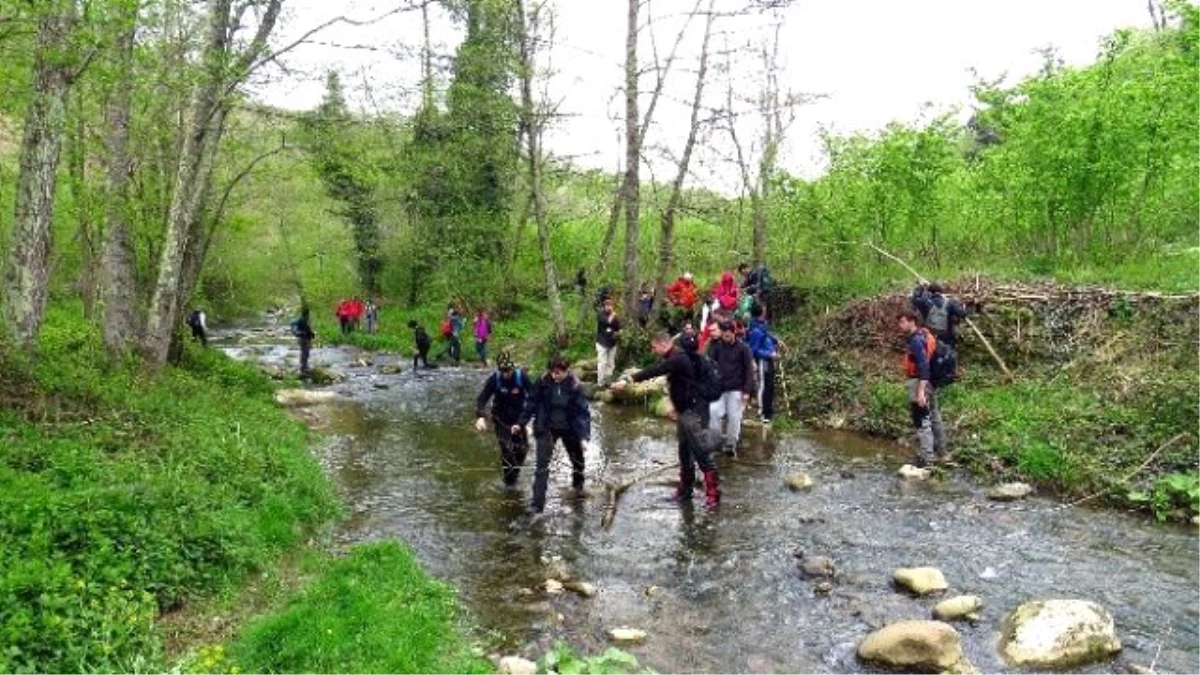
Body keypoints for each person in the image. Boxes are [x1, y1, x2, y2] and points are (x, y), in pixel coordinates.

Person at [614, 334, 720, 509]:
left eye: (654, 347)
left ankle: (713, 497)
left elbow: (654, 370)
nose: (652, 350)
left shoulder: (677, 359)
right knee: (684, 453)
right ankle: (686, 491)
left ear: (664, 344)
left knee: (701, 454)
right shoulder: (676, 357)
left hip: (695, 413)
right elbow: (680, 386)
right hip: (684, 411)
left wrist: (628, 380)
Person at [516, 356, 592, 518]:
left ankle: (578, 488)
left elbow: (583, 413)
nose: (554, 376)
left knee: (577, 461)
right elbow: (531, 403)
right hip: (546, 428)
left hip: (569, 429)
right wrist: (521, 423)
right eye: (552, 372)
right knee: (541, 467)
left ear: (566, 371)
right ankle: (537, 506)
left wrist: (583, 436)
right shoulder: (543, 382)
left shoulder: (575, 386)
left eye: (558, 373)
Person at [474, 351, 531, 489]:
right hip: (501, 420)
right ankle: (509, 485)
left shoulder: (522, 377)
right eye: (503, 371)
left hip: (519, 420)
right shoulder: (494, 379)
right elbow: (482, 398)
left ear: (513, 368)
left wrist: (532, 420)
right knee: (507, 450)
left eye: (508, 370)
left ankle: (514, 477)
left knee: (521, 451)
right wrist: (481, 416)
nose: (506, 374)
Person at [898, 309, 946, 467]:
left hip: (920, 382)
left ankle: (927, 458)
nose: (900, 325)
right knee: (934, 417)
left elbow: (923, 366)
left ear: (912, 322)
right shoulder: (925, 334)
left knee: (922, 419)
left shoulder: (916, 341)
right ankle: (942, 452)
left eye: (903, 321)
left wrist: (920, 392)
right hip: (931, 381)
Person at [707, 320, 756, 456]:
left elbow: (749, 371)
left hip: (737, 388)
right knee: (712, 412)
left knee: (734, 418)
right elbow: (710, 366)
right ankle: (715, 442)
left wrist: (747, 391)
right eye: (724, 335)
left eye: (728, 335)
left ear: (734, 333)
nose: (726, 337)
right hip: (719, 388)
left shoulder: (743, 348)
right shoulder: (716, 348)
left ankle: (730, 444)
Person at [746, 304, 779, 426]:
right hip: (763, 361)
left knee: (770, 384)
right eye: (764, 310)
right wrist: (769, 354)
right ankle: (763, 412)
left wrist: (776, 341)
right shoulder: (755, 330)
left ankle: (768, 410)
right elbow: (753, 349)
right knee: (764, 385)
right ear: (761, 313)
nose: (766, 311)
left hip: (769, 359)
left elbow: (766, 335)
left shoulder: (761, 325)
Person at [911, 283, 968, 349]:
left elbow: (914, 299)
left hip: (929, 336)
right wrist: (960, 305)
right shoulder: (950, 303)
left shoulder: (924, 302)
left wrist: (921, 288)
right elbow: (963, 314)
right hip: (946, 338)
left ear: (929, 292)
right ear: (941, 292)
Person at [595, 298, 622, 386]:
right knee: (602, 363)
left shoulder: (615, 316)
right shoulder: (600, 315)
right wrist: (613, 315)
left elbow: (619, 328)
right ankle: (600, 383)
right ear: (604, 307)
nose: (609, 308)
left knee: (611, 363)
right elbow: (607, 322)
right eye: (607, 306)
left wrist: (619, 333)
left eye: (610, 306)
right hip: (602, 342)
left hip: (612, 343)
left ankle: (608, 380)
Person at [291, 306, 316, 376]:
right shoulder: (301, 320)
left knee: (306, 353)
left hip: (306, 338)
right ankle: (303, 367)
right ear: (306, 314)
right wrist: (301, 333)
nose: (309, 315)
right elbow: (296, 329)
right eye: (309, 314)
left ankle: (304, 366)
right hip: (303, 339)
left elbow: (308, 329)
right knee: (305, 353)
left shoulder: (305, 320)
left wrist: (311, 334)